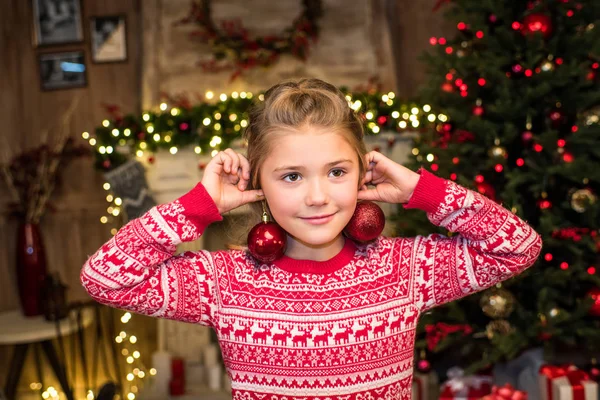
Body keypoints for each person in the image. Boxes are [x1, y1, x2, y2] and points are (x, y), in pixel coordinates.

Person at [81, 78, 542, 399]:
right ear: (258, 182)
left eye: (337, 172)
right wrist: (198, 204)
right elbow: (105, 279)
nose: (318, 196)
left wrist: (421, 190)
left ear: (362, 173)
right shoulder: (224, 279)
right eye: (291, 176)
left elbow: (517, 246)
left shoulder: (405, 269)